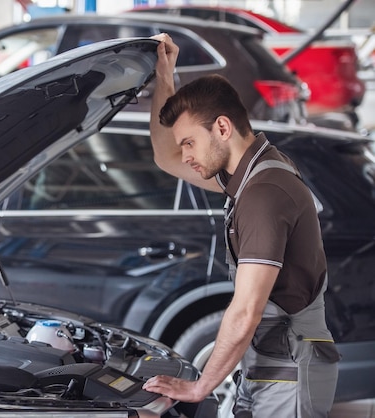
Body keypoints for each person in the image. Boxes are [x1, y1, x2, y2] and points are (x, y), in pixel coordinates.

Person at [141, 34, 340, 417]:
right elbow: (165, 157)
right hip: (270, 367)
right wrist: (165, 75)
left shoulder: (265, 192)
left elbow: (246, 309)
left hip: (290, 374)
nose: (185, 155)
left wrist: (200, 387)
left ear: (222, 127)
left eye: (189, 143)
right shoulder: (248, 174)